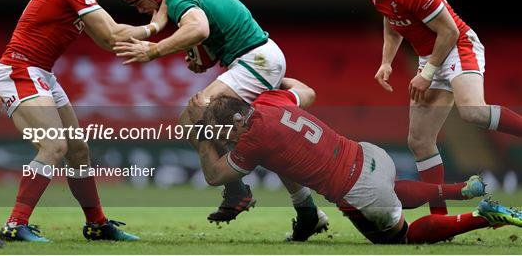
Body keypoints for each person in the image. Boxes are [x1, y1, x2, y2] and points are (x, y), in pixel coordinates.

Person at [113, 0, 327, 240]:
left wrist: (154, 50)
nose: (140, 10)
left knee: (194, 115)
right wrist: (201, 58)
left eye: (138, 3)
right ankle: (307, 212)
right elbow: (213, 35)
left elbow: (199, 29)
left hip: (256, 60)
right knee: (261, 140)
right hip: (258, 58)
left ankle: (237, 190)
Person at [0, 0, 166, 242]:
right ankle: (15, 225)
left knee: (77, 150)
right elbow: (113, 36)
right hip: (21, 70)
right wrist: (157, 25)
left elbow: (105, 40)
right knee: (54, 146)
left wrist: (147, 41)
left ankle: (97, 224)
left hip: (40, 73)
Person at [192, 80, 522, 244]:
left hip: (356, 187)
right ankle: (456, 190)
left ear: (236, 123)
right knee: (390, 190)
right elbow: (304, 91)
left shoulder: (251, 140)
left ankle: (482, 215)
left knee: (397, 237)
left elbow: (214, 176)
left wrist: (200, 138)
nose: (227, 140)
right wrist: (276, 81)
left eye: (225, 133)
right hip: (369, 154)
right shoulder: (270, 101)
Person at [340, 0, 522, 215]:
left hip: (458, 44)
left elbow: (449, 31)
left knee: (472, 112)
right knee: (419, 141)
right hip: (431, 54)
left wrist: (428, 72)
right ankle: (440, 218)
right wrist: (386, 61)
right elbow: (391, 17)